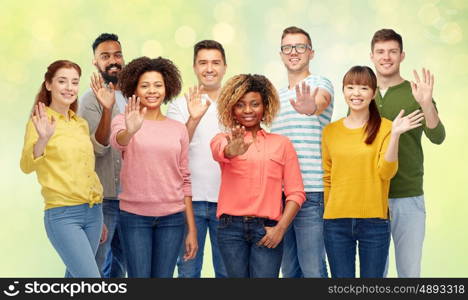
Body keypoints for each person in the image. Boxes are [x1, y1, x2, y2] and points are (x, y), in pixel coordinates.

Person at [322, 66, 425, 278]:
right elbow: (327, 176)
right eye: (350, 87)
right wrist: (328, 213)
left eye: (363, 88)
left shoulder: (387, 127)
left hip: (374, 222)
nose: (356, 93)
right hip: (335, 223)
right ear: (343, 91)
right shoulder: (330, 131)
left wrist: (395, 135)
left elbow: (386, 173)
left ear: (374, 93)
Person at [109, 56, 197, 278]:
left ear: (167, 88)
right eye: (145, 85)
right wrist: (131, 129)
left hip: (173, 218)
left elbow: (185, 179)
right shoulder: (124, 120)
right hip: (134, 216)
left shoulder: (178, 129)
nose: (152, 91)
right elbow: (118, 141)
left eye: (158, 85)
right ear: (135, 89)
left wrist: (192, 230)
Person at [211, 74, 305, 278]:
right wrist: (231, 149)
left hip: (267, 229)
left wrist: (280, 229)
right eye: (240, 105)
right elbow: (220, 151)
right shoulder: (223, 138)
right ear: (232, 109)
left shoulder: (281, 143)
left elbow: (296, 193)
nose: (247, 110)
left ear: (265, 107)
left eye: (254, 104)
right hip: (230, 230)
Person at [370, 29, 446, 277]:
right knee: (374, 274)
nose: (386, 57)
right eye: (380, 52)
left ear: (402, 56)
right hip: (371, 198)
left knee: (409, 272)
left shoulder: (415, 93)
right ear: (372, 56)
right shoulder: (362, 94)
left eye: (392, 51)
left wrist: (426, 103)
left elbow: (438, 136)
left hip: (408, 196)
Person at [20, 60, 105, 277]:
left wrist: (98, 213)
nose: (69, 88)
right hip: (63, 215)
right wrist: (43, 139)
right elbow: (26, 166)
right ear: (48, 84)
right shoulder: (40, 122)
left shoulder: (80, 124)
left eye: (74, 82)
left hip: (94, 212)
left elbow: (86, 169)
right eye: (62, 81)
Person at [270, 26, 333, 278]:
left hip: (311, 192)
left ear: (311, 53)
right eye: (288, 47)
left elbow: (321, 101)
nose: (293, 52)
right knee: (289, 270)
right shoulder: (275, 97)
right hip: (280, 195)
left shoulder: (319, 83)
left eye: (300, 47)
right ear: (281, 53)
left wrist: (311, 107)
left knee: (313, 269)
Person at [167, 40, 227, 278]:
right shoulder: (179, 106)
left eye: (215, 62)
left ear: (224, 66)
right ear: (194, 67)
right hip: (187, 204)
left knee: (228, 273)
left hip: (228, 204)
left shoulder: (236, 105)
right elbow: (173, 148)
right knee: (188, 272)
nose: (209, 68)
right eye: (203, 62)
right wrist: (193, 118)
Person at [78, 32, 127, 278]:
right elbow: (97, 148)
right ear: (95, 62)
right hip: (103, 201)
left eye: (117, 54)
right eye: (105, 56)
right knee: (91, 269)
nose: (113, 60)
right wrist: (107, 110)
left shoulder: (134, 96)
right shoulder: (89, 100)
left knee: (119, 271)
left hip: (131, 201)